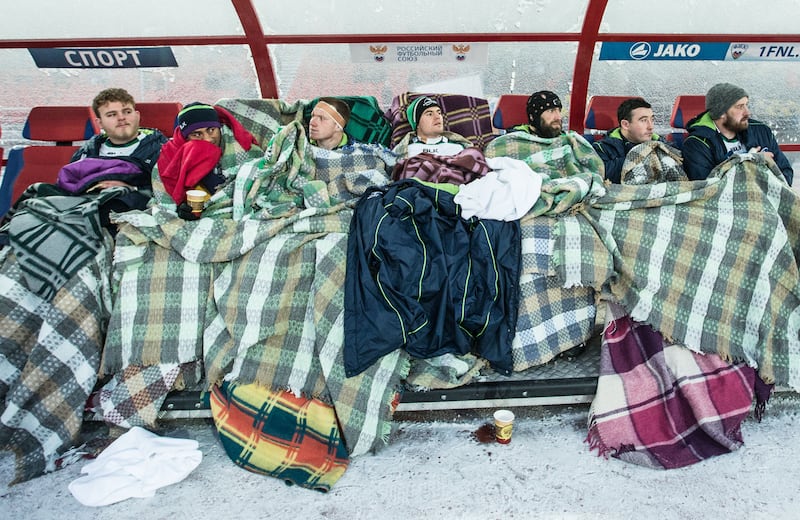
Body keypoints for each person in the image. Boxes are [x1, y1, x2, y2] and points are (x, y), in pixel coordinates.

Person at [156, 101, 262, 213]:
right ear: (185, 138)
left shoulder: (245, 150)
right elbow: (163, 202)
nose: (208, 139)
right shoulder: (168, 160)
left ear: (219, 128)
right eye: (197, 134)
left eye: (211, 130)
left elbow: (260, 186)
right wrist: (180, 209)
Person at [682, 83, 793, 184]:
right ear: (720, 113)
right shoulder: (697, 144)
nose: (747, 112)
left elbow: (785, 172)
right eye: (740, 107)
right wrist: (751, 163)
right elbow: (706, 189)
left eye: (746, 105)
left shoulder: (761, 131)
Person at [593, 98, 669, 184]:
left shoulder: (664, 146)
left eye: (652, 120)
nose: (650, 126)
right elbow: (601, 177)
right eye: (643, 120)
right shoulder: (602, 149)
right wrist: (640, 157)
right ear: (625, 124)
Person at [394, 96, 471, 157]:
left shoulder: (460, 149)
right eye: (429, 114)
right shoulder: (404, 152)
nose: (437, 117)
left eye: (439, 113)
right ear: (417, 123)